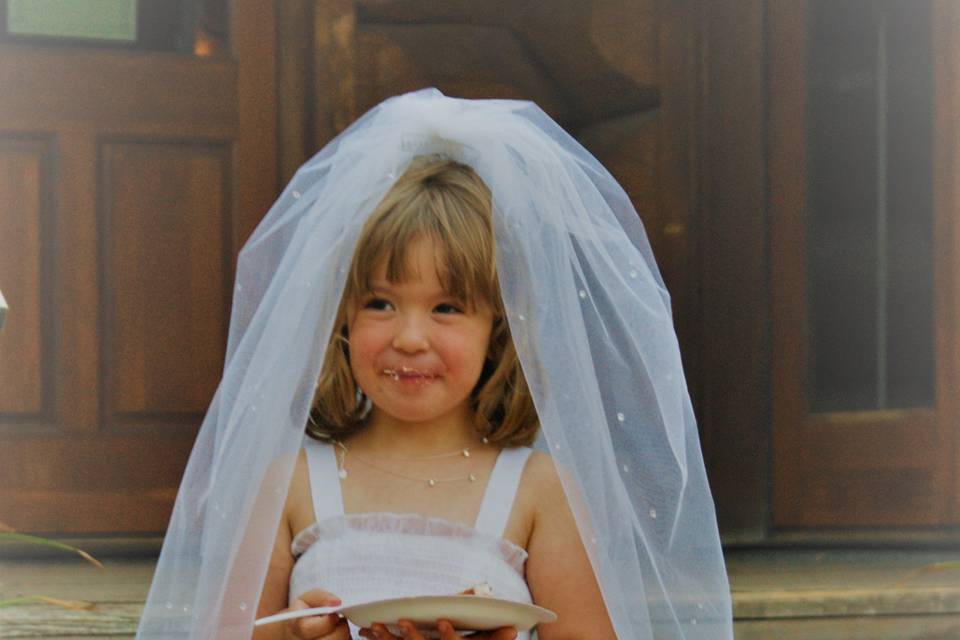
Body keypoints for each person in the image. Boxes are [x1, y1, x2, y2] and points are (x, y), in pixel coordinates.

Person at [135, 90, 733, 640]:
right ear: (341, 316)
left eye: (447, 307)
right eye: (380, 303)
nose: (410, 337)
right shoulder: (289, 482)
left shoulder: (540, 491)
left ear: (498, 331)